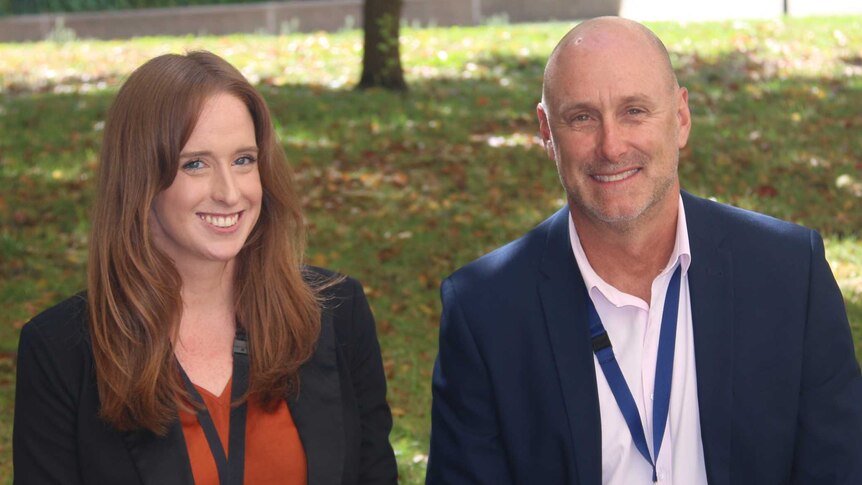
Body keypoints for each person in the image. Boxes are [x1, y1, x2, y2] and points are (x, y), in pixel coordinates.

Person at [427, 16, 862, 485]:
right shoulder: (485, 311)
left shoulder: (789, 276)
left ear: (680, 118)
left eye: (634, 111)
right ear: (547, 133)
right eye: (582, 117)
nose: (611, 146)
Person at [14, 51, 397, 485]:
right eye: (195, 163)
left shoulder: (336, 312)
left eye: (243, 160)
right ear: (139, 178)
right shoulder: (60, 350)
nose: (230, 193)